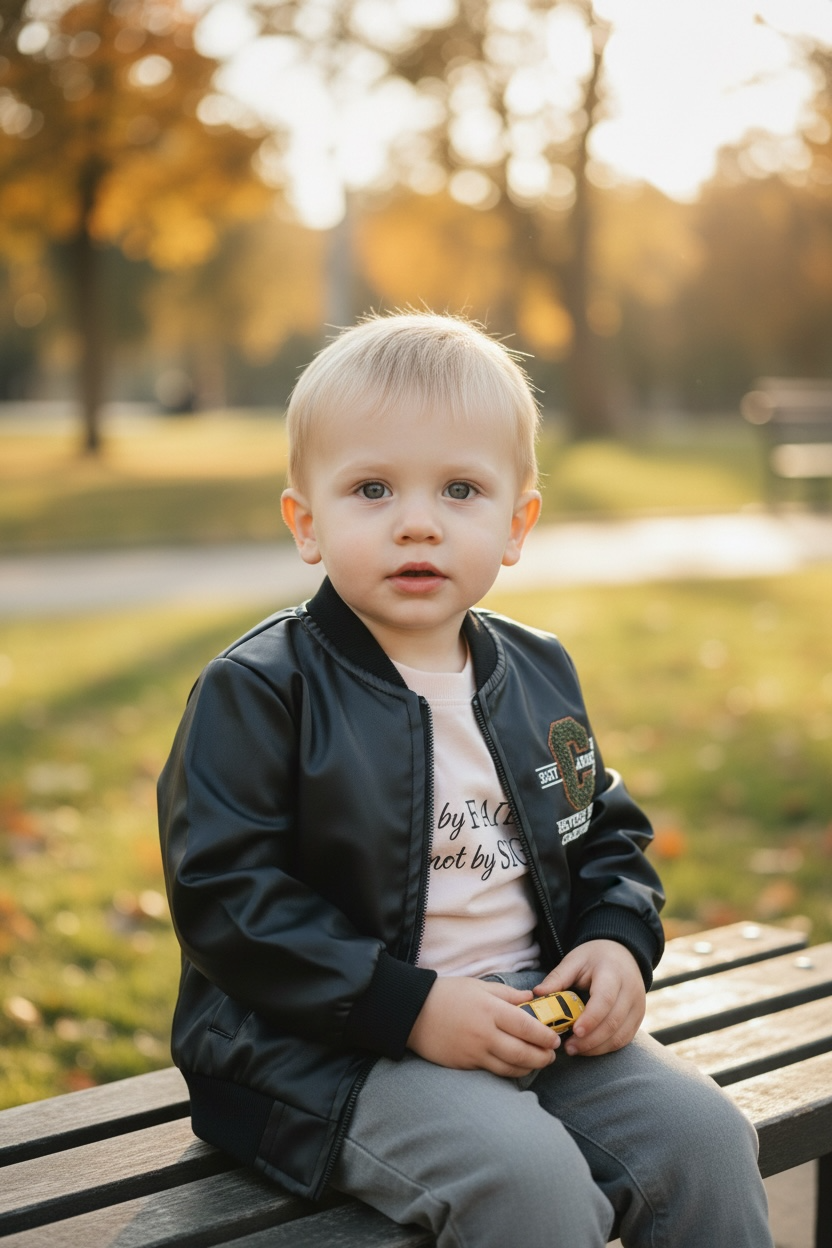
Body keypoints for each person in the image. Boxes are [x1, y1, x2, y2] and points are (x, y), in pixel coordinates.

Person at [158, 312, 773, 1247]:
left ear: (516, 523)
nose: (417, 520)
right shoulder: (261, 688)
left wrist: (615, 942)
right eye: (371, 488)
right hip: (330, 1048)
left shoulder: (534, 673)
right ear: (306, 521)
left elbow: (603, 830)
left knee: (708, 1139)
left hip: (537, 1016)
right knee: (530, 1184)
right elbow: (226, 898)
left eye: (460, 488)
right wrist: (412, 1008)